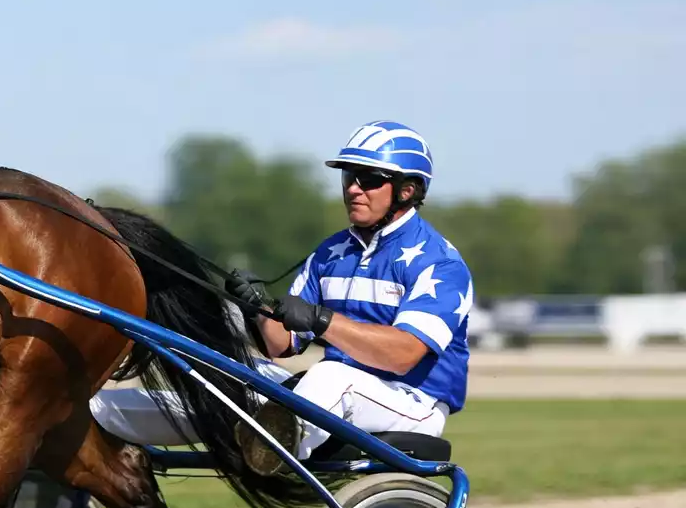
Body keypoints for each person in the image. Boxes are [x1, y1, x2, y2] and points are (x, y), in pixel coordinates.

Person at [90, 120, 474, 474]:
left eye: (369, 179)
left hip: (412, 404)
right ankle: (92, 414)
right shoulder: (331, 253)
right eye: (349, 176)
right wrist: (256, 307)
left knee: (332, 376)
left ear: (407, 191)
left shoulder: (439, 264)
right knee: (227, 372)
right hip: (330, 399)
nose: (353, 187)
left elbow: (404, 354)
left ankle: (266, 446)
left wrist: (322, 319)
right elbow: (280, 345)